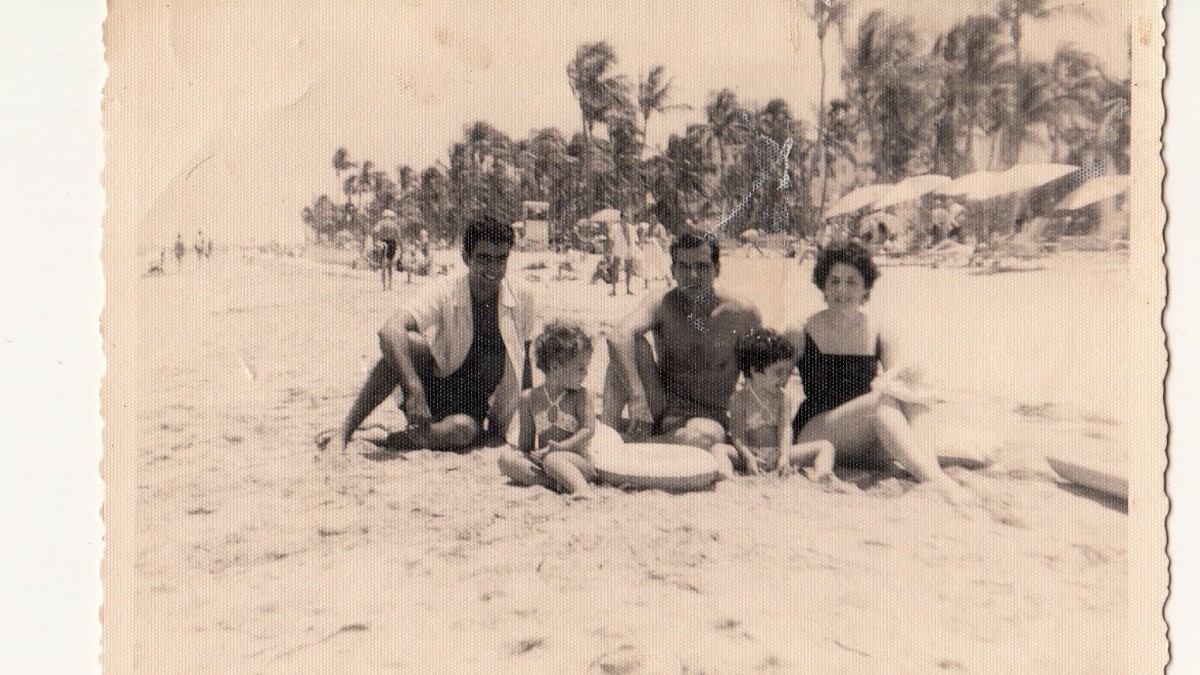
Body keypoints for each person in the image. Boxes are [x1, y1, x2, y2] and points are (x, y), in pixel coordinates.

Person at [319, 216, 540, 455]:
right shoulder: (445, 289)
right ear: (466, 257)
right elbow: (389, 331)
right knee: (409, 343)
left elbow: (524, 361)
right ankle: (343, 433)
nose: (494, 269)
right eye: (484, 258)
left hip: (473, 406)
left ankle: (386, 438)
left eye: (501, 259)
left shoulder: (521, 296)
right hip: (433, 387)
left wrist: (524, 426)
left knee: (461, 430)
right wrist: (414, 390)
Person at [784, 242, 973, 505]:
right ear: (823, 285)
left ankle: (931, 473)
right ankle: (939, 483)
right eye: (834, 281)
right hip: (815, 434)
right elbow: (770, 386)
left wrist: (910, 380)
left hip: (864, 435)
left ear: (865, 288)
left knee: (913, 394)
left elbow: (902, 388)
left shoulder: (879, 330)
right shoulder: (801, 330)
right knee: (881, 401)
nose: (842, 290)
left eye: (852, 282)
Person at [603, 230, 761, 450]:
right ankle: (605, 437)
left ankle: (633, 446)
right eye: (684, 267)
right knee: (628, 351)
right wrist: (637, 395)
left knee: (701, 437)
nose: (693, 275)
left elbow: (757, 378)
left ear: (717, 270)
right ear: (673, 271)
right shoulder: (663, 303)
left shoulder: (743, 315)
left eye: (702, 266)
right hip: (661, 407)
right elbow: (617, 337)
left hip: (709, 417)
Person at [710, 329, 851, 490]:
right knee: (718, 449)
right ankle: (726, 476)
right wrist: (748, 457)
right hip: (749, 454)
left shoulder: (783, 397)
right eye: (778, 372)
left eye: (787, 372)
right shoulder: (739, 399)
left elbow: (785, 429)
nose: (784, 378)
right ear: (755, 371)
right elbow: (738, 436)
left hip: (778, 454)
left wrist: (784, 456)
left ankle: (822, 475)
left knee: (825, 446)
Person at [497, 322, 598, 498]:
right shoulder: (529, 398)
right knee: (506, 461)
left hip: (577, 461)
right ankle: (556, 484)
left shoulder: (582, 396)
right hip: (546, 463)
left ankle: (581, 488)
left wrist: (561, 447)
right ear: (555, 367)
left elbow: (588, 430)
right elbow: (526, 444)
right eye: (581, 368)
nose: (586, 373)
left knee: (554, 460)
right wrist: (530, 455)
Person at [373, 210, 401, 290]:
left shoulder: (380, 223)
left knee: (383, 265)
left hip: (383, 242)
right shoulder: (394, 225)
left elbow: (375, 231)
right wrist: (402, 248)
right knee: (390, 265)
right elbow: (399, 237)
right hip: (392, 243)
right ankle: (390, 285)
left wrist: (375, 241)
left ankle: (384, 286)